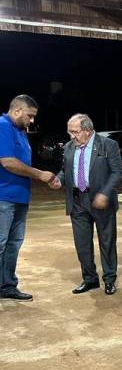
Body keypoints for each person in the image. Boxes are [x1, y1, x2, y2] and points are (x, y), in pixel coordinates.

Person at [52, 114, 122, 295]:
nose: (72, 136)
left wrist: (105, 193)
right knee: (82, 243)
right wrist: (59, 180)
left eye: (75, 132)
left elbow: (117, 172)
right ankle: (90, 279)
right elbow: (65, 171)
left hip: (101, 201)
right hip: (77, 200)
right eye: (70, 132)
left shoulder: (108, 145)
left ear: (88, 130)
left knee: (107, 242)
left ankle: (109, 279)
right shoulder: (69, 147)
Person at [0, 95, 57, 301]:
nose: (32, 120)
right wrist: (39, 174)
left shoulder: (20, 131)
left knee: (13, 243)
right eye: (30, 116)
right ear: (17, 110)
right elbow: (8, 162)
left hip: (19, 197)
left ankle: (7, 286)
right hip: (3, 197)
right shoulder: (3, 126)